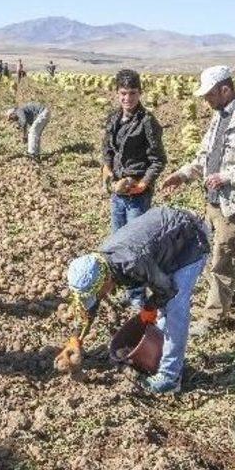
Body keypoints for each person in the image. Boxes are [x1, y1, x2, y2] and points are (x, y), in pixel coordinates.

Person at [162, 65, 235, 336]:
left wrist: (225, 177)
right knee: (207, 254)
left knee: (224, 259)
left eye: (209, 94)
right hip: (212, 201)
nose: (205, 100)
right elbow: (204, 158)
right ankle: (221, 299)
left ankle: (213, 317)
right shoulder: (218, 117)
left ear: (225, 89)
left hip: (232, 204)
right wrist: (183, 174)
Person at [65, 207, 210, 394]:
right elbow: (89, 303)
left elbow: (166, 289)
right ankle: (160, 357)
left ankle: (170, 378)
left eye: (99, 292)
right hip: (161, 244)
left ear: (105, 280)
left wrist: (149, 307)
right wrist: (76, 339)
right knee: (162, 307)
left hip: (189, 240)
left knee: (174, 308)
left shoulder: (133, 262)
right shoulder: (98, 265)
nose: (101, 296)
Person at [102, 69, 167, 308]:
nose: (127, 98)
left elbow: (158, 159)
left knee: (137, 246)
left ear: (140, 93)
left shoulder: (148, 122)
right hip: (118, 193)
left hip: (137, 196)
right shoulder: (113, 118)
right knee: (118, 243)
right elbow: (107, 152)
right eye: (122, 93)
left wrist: (143, 184)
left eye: (132, 93)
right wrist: (108, 175)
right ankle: (127, 289)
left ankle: (138, 295)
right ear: (116, 93)